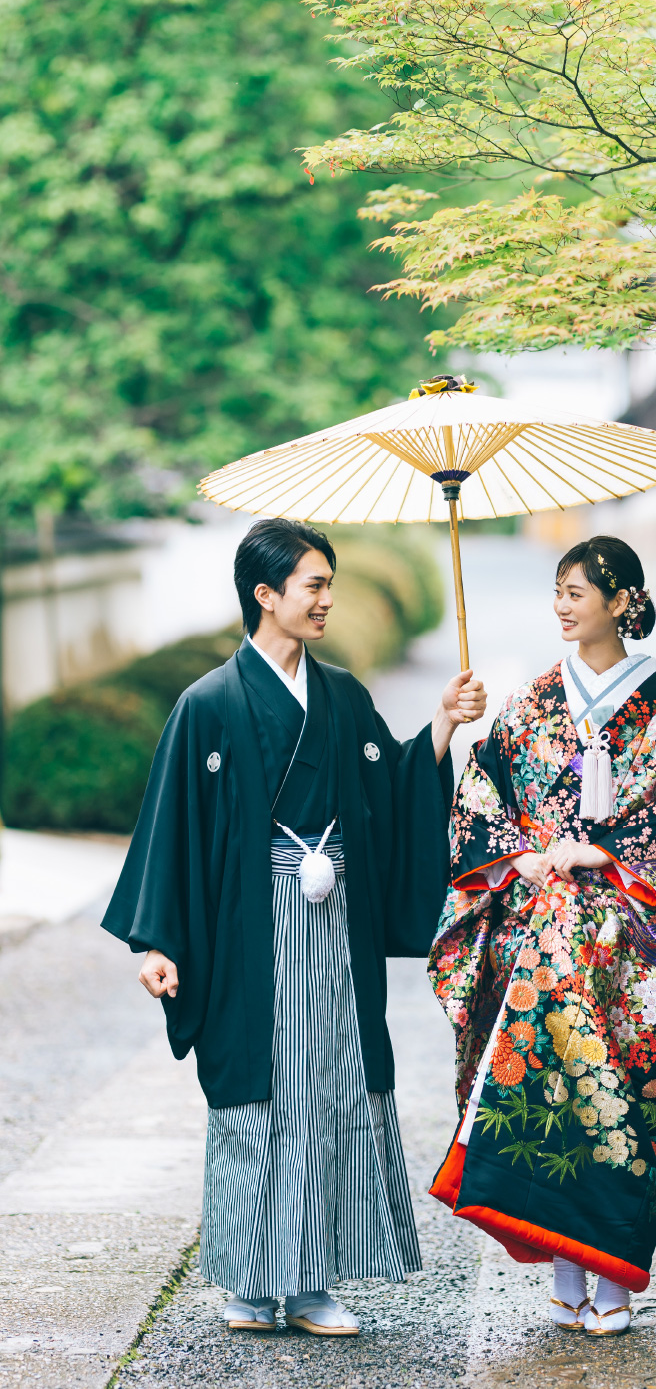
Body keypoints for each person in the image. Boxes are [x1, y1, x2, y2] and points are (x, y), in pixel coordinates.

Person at [103, 518, 486, 1337]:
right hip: (250, 923)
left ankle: (311, 1284)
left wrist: (444, 725)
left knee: (332, 1082)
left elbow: (393, 788)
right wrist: (161, 940)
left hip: (335, 917)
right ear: (265, 594)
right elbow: (173, 828)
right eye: (314, 585)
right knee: (258, 1092)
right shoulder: (207, 705)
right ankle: (250, 1282)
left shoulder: (342, 696)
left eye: (328, 584)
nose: (326, 600)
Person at [428, 535, 656, 1336]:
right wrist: (517, 856)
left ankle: (613, 1284)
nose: (561, 605)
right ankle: (564, 1276)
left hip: (633, 942)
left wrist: (603, 852)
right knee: (545, 1096)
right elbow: (484, 792)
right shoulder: (532, 699)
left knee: (625, 1099)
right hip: (543, 933)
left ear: (622, 601)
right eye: (557, 591)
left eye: (577, 592)